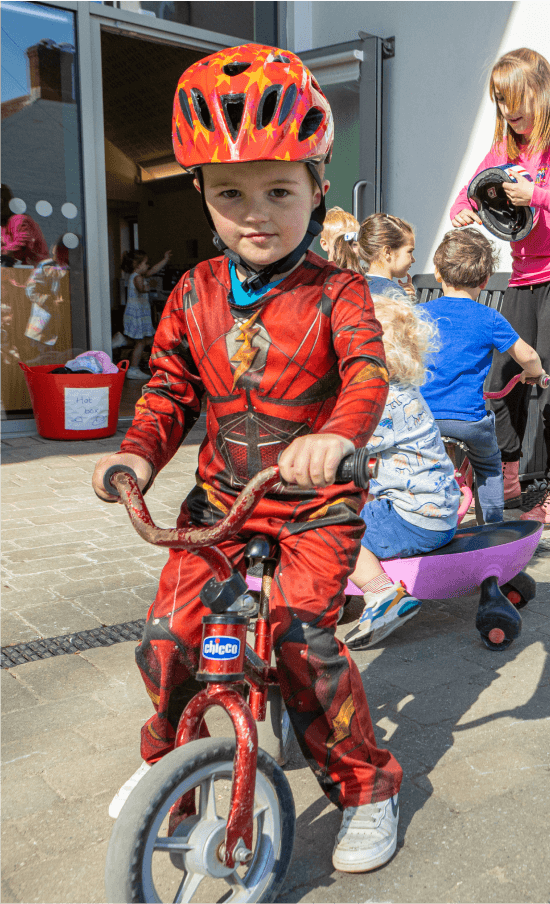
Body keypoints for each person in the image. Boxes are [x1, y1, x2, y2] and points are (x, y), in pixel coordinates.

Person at [91, 43, 402, 875]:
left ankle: (368, 788)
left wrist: (339, 436)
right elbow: (167, 389)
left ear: (317, 189)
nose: (255, 213)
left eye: (278, 191)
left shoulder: (340, 292)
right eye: (230, 194)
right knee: (168, 640)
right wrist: (136, 455)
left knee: (305, 645)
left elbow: (367, 373)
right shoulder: (192, 292)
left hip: (314, 505)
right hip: (220, 503)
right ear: (201, 193)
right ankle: (174, 771)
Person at [450, 47, 550, 528]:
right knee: (501, 381)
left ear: (539, 90)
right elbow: (472, 189)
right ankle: (508, 476)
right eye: (500, 101)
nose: (509, 111)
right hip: (524, 274)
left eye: (516, 98)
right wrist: (465, 209)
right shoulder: (507, 148)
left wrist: (538, 195)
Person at [345, 291, 460, 651]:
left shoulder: (382, 402)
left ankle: (381, 595)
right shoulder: (402, 390)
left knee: (332, 527)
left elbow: (346, 443)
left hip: (413, 518)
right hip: (433, 510)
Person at [421, 228, 544, 524]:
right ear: (486, 279)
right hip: (468, 422)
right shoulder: (489, 318)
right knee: (489, 466)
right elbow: (527, 355)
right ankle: (491, 525)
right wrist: (534, 372)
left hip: (422, 419)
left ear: (438, 273)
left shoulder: (419, 314)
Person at [120, 248, 171, 380]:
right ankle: (133, 368)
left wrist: (165, 259)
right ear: (137, 265)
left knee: (147, 340)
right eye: (145, 263)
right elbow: (142, 289)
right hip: (137, 315)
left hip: (139, 313)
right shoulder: (137, 277)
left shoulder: (138, 276)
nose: (147, 265)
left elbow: (153, 270)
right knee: (141, 342)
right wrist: (148, 287)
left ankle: (121, 339)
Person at [358, 212, 416, 299]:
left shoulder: (356, 287)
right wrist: (405, 301)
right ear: (387, 252)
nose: (413, 259)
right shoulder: (394, 295)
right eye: (410, 251)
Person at [1, 183, 49, 267]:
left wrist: (3, 251)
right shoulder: (3, 226)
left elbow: (20, 246)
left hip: (32, 273)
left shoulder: (19, 220)